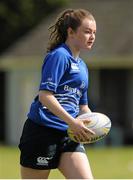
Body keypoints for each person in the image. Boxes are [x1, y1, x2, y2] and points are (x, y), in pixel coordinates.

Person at [19, 8, 96, 179]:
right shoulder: (59, 56)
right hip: (42, 133)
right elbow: (45, 96)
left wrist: (92, 124)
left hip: (68, 135)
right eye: (87, 31)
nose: (92, 36)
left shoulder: (83, 66)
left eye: (94, 33)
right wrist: (72, 122)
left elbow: (82, 106)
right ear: (71, 32)